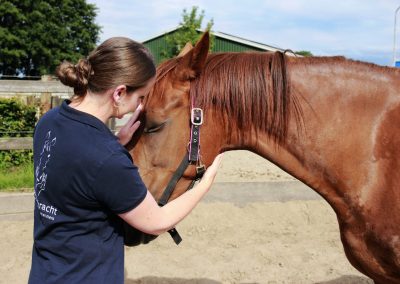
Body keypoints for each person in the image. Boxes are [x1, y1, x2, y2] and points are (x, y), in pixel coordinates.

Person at [28, 37, 223, 284]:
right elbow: (157, 222)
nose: (140, 105)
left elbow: (74, 168)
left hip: (45, 274)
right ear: (119, 92)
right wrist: (207, 181)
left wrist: (117, 142)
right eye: (141, 96)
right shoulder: (107, 158)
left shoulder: (50, 121)